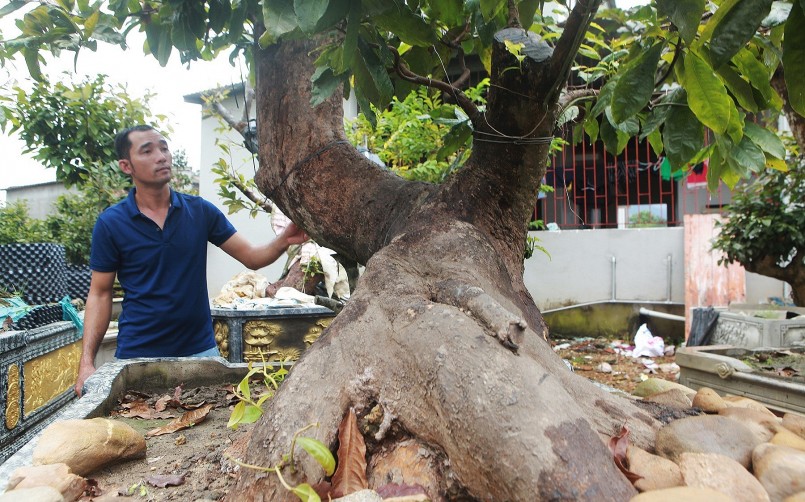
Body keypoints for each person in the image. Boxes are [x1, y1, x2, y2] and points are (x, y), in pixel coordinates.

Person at [74, 125, 308, 396]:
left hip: (201, 351)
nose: (161, 156)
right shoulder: (111, 223)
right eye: (147, 151)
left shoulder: (200, 212)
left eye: (163, 147)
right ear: (126, 166)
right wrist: (86, 363)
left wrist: (284, 239)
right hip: (136, 356)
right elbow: (100, 294)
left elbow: (252, 257)